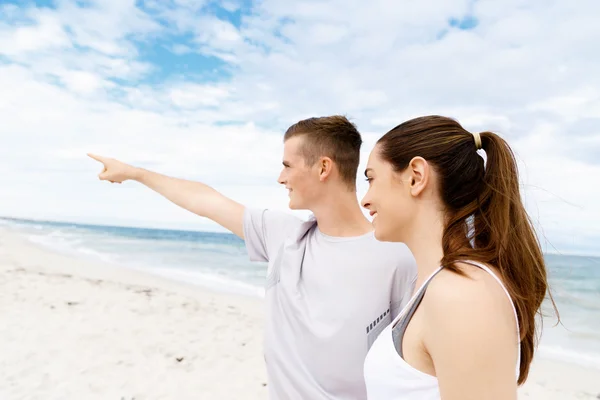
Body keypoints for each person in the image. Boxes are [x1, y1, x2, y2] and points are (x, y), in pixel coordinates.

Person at [88, 115, 417, 399]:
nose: (281, 177)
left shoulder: (397, 258)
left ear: (323, 168)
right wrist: (136, 174)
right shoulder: (283, 235)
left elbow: (412, 366)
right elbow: (205, 200)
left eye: (287, 165)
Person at [361, 115, 558, 399]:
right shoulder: (438, 285)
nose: (365, 199)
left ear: (416, 176)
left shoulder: (461, 294)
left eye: (371, 179)